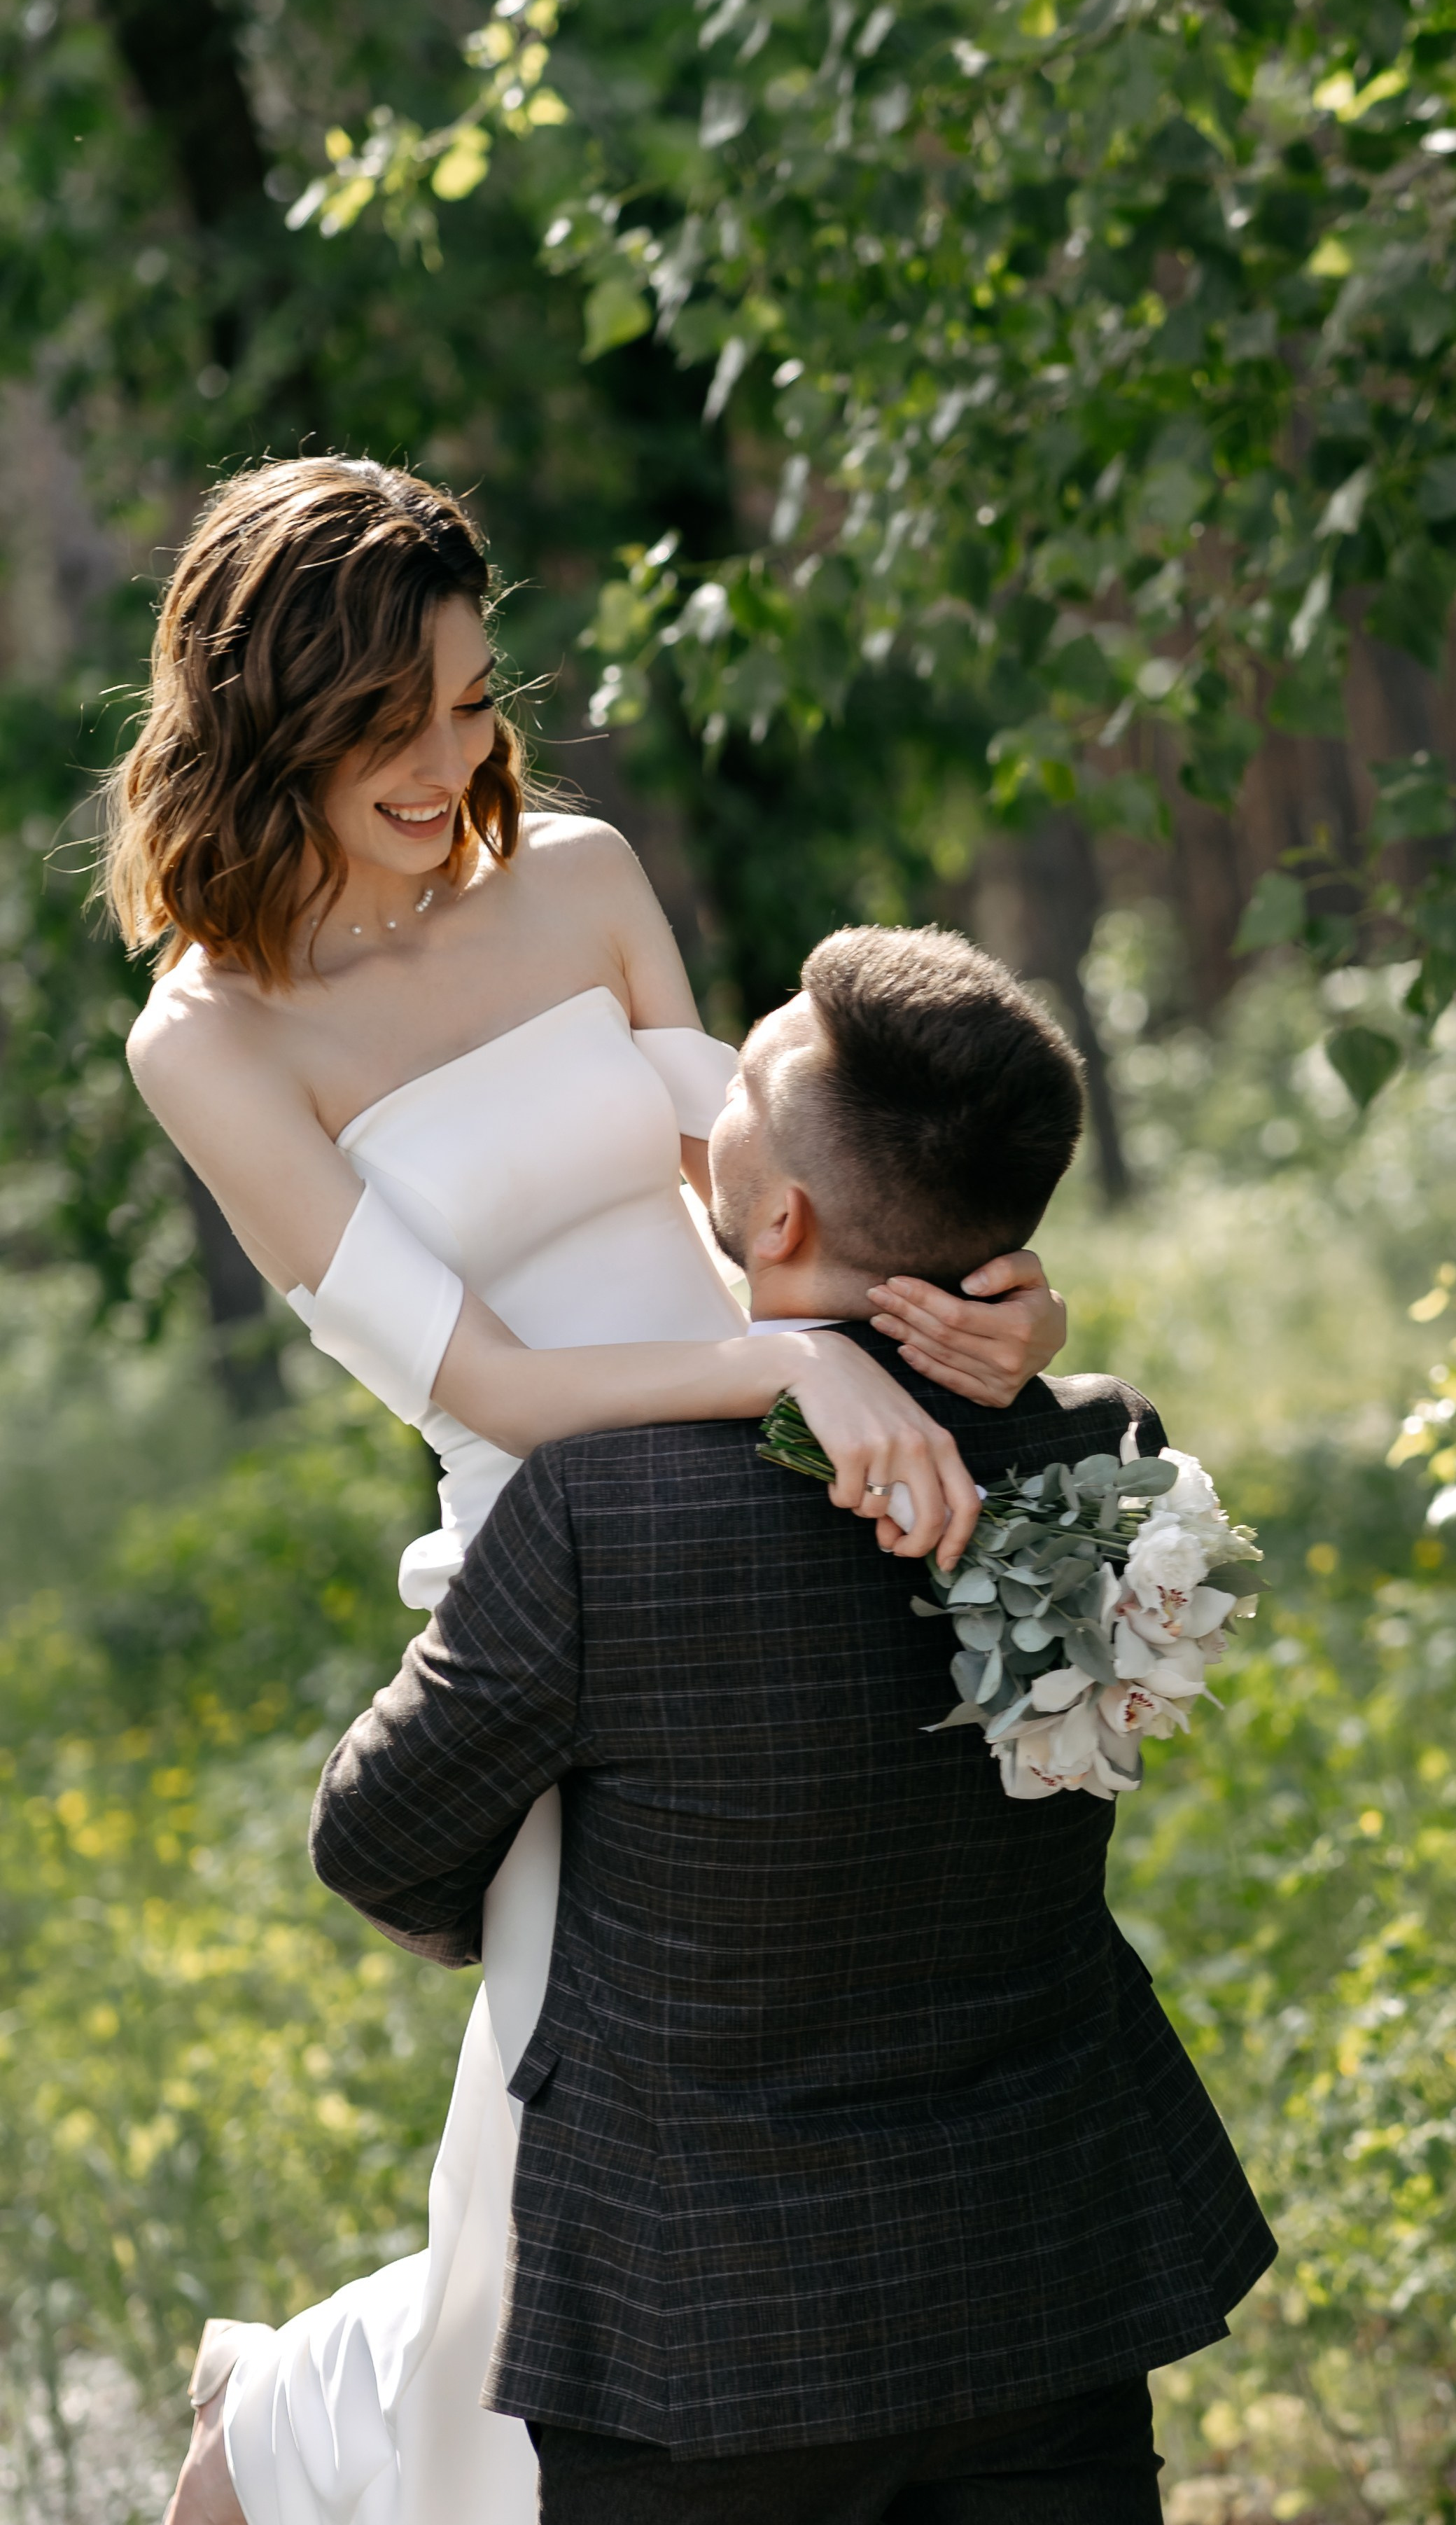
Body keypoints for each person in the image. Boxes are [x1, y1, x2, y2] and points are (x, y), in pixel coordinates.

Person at [109, 458, 1068, 2525]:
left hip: (804, 1520)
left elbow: (766, 1196)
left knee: (780, 2106)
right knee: (579, 2158)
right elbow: (491, 1385)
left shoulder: (582, 872)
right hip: (567, 1610)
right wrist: (783, 1366)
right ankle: (288, 2436)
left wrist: (974, 1309)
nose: (450, 760)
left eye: (470, 704)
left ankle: (281, 2415)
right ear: (268, 719)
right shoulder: (208, 1044)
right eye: (390, 722)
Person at [297, 923, 1276, 2525]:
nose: (702, 1098)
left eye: (739, 1084)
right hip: (1042, 2290)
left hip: (705, 2335)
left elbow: (375, 1843)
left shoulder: (601, 1512)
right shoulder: (1105, 1463)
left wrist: (552, 1905)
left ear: (781, 1217)